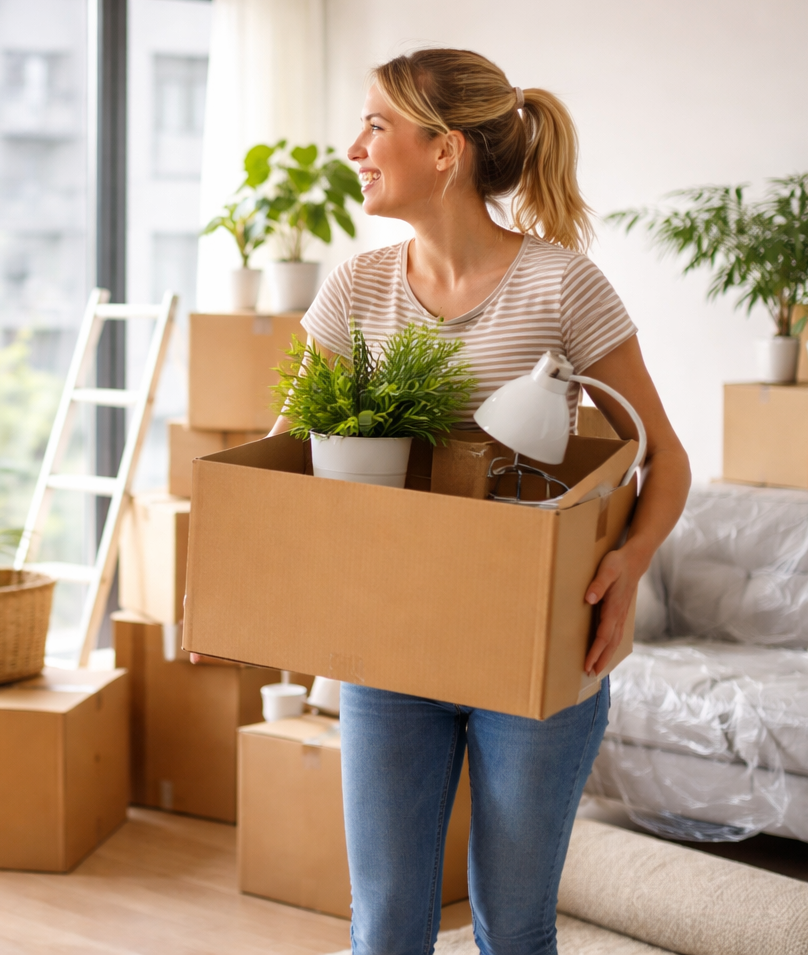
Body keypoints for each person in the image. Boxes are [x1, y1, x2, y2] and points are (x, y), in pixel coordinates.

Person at [274, 49, 691, 954]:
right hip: (392, 647)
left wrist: (625, 569)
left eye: (376, 124)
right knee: (384, 927)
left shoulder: (561, 285)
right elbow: (287, 463)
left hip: (536, 648)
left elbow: (664, 462)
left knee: (513, 927)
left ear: (445, 151)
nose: (354, 146)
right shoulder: (357, 289)